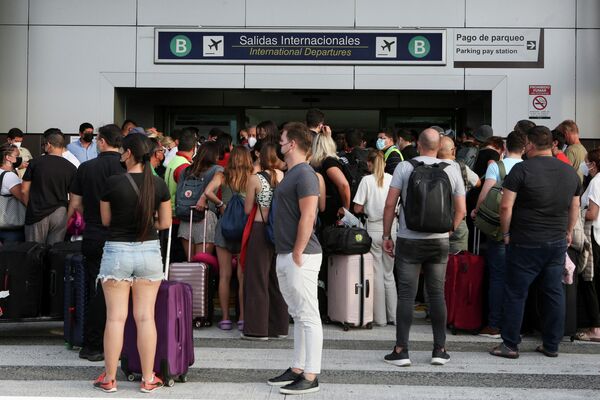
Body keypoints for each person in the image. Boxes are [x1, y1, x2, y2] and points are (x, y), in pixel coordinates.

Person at [490, 125, 580, 359]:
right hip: (557, 241)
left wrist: (507, 233)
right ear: (551, 144)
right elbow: (575, 207)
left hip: (525, 241)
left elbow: (505, 206)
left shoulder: (521, 170)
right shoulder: (569, 172)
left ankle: (510, 345)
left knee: (516, 293)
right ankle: (551, 345)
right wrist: (568, 231)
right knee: (553, 292)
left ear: (529, 144)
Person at [93, 133, 171, 393]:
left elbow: (106, 221)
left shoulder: (112, 183)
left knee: (115, 319)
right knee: (145, 318)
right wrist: (149, 225)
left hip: (117, 252)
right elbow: (166, 223)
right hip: (149, 251)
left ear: (127, 153)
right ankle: (148, 379)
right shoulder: (158, 184)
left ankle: (109, 378)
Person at [381, 128, 466, 367]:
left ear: (418, 144)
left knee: (407, 294)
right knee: (437, 294)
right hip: (438, 241)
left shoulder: (404, 167)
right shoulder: (452, 169)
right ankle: (439, 349)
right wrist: (448, 230)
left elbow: (390, 205)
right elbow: (460, 210)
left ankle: (401, 350)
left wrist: (387, 235)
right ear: (439, 146)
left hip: (409, 239)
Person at [267, 122, 322, 395]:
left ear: (292, 144)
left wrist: (298, 250)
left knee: (308, 315)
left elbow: (309, 215)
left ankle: (311, 374)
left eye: (283, 138)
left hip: (301, 254)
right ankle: (299, 367)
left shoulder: (305, 175)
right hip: (287, 252)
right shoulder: (292, 173)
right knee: (299, 315)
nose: (280, 142)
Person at [68, 124, 125, 362]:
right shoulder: (126, 168)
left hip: (93, 233)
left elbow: (76, 204)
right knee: (120, 291)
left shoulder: (86, 167)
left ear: (101, 142)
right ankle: (120, 345)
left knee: (96, 289)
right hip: (121, 235)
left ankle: (93, 344)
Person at [471, 131, 526, 338]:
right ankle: (517, 325)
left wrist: (477, 211)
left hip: (498, 231)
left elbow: (485, 194)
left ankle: (494, 324)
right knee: (519, 279)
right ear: (524, 148)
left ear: (504, 148)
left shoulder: (497, 166)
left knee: (498, 277)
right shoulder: (526, 167)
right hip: (523, 230)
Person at [199, 145, 253, 331]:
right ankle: (243, 318)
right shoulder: (252, 176)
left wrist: (221, 204)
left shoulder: (223, 174)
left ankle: (224, 319)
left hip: (225, 226)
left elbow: (207, 192)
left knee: (224, 275)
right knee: (242, 276)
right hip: (245, 227)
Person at [241, 143, 289, 340]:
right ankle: (279, 327)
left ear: (261, 157)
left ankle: (257, 329)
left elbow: (247, 209)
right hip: (278, 230)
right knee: (275, 279)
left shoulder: (255, 179)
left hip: (260, 229)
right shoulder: (282, 176)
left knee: (256, 278)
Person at [353, 149, 397, 326]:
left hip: (374, 229)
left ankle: (380, 318)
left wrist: (369, 209)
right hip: (392, 229)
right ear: (384, 164)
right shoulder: (392, 179)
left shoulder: (366, 181)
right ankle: (393, 315)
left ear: (370, 164)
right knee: (389, 274)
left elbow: (357, 208)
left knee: (377, 273)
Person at [22, 129, 77, 245]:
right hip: (60, 213)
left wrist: (30, 206)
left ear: (49, 145)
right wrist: (67, 217)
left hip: (37, 211)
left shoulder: (35, 163)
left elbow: (24, 190)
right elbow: (74, 199)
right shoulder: (71, 167)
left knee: (34, 250)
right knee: (54, 252)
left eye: (44, 145)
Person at [179, 141, 222, 258]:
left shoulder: (186, 171)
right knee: (202, 263)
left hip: (186, 217)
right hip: (206, 217)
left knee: (190, 262)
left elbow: (179, 194)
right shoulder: (217, 170)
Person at [438, 136, 480, 253]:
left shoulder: (429, 166)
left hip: (434, 221)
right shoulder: (460, 167)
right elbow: (477, 182)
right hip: (458, 220)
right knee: (459, 263)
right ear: (453, 150)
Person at [577, 148, 600, 341]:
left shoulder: (595, 182)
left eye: (587, 162)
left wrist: (578, 213)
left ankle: (595, 328)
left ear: (593, 164)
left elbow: (592, 213)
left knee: (589, 280)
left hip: (593, 235)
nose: (585, 166)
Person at [164, 130, 197, 262]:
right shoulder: (184, 166)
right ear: (193, 149)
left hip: (170, 213)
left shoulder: (173, 161)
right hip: (178, 216)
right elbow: (188, 195)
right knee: (179, 258)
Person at [310, 134, 350, 228]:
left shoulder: (329, 163)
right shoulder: (328, 162)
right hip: (331, 209)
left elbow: (344, 185)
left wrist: (346, 209)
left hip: (332, 211)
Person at [0, 144, 26, 243]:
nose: (19, 158)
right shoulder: (9, 176)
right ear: (8, 157)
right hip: (10, 227)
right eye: (16, 155)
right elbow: (23, 197)